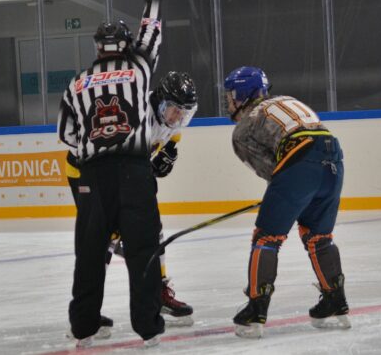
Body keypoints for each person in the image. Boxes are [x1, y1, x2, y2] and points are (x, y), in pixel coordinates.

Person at [57, 0, 165, 348]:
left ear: (98, 48)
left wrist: (94, 147)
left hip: (92, 177)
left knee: (89, 253)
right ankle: (148, 327)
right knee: (143, 250)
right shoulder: (138, 68)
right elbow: (151, 31)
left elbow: (67, 135)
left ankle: (84, 328)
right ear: (125, 44)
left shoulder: (76, 83)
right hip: (135, 173)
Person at [63, 71, 197, 333]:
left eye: (183, 112)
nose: (176, 118)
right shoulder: (135, 114)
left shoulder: (171, 122)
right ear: (159, 101)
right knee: (105, 234)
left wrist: (168, 154)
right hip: (85, 170)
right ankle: (86, 313)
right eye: (173, 110)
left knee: (151, 228)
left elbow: (171, 139)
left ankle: (158, 293)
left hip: (121, 172)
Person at [223, 66, 350, 339]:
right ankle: (335, 301)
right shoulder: (286, 100)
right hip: (334, 160)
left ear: (243, 95)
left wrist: (282, 194)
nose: (229, 102)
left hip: (301, 161)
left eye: (231, 95)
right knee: (318, 236)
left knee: (266, 237)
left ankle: (255, 310)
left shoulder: (243, 129)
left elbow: (274, 172)